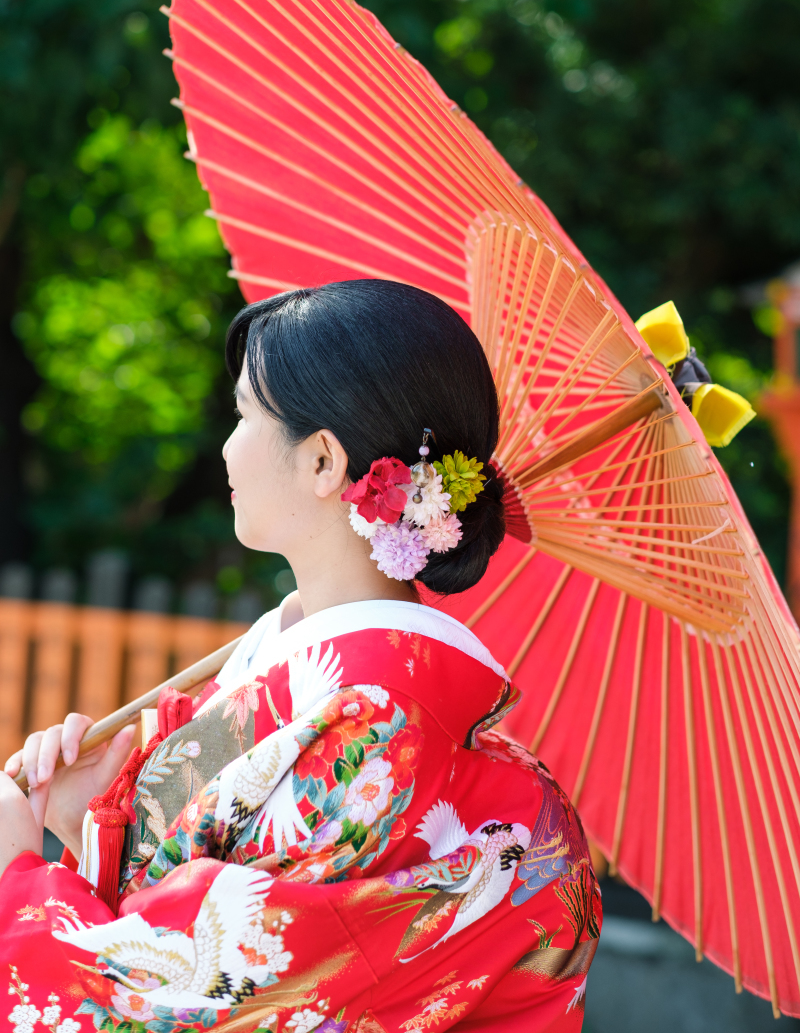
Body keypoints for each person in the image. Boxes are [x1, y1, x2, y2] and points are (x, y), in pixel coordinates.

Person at [0, 280, 601, 1032]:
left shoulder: (373, 724)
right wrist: (99, 816)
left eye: (245, 413)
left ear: (322, 462)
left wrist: (17, 890)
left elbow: (187, 1003)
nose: (226, 445)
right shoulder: (343, 688)